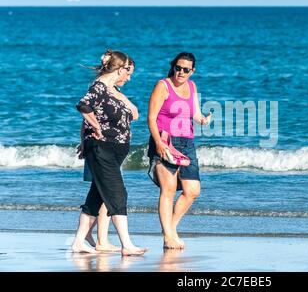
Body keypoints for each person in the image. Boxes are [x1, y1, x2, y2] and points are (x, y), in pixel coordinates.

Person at [71, 49, 147, 256]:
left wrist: (118, 94)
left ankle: (78, 242)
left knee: (96, 198)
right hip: (102, 148)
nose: (129, 78)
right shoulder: (99, 87)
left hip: (112, 151)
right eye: (127, 73)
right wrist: (95, 127)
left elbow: (135, 114)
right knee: (118, 194)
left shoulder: (111, 90)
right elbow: (83, 106)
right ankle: (127, 245)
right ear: (120, 69)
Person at [147, 52, 211, 249]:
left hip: (187, 143)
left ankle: (171, 229)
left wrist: (203, 119)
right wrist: (158, 143)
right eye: (178, 68)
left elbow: (196, 112)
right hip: (166, 140)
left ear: (192, 71)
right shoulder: (163, 85)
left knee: (193, 191)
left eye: (186, 69)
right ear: (173, 66)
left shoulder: (192, 86)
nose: (181, 72)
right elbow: (151, 117)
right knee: (168, 190)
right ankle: (168, 236)